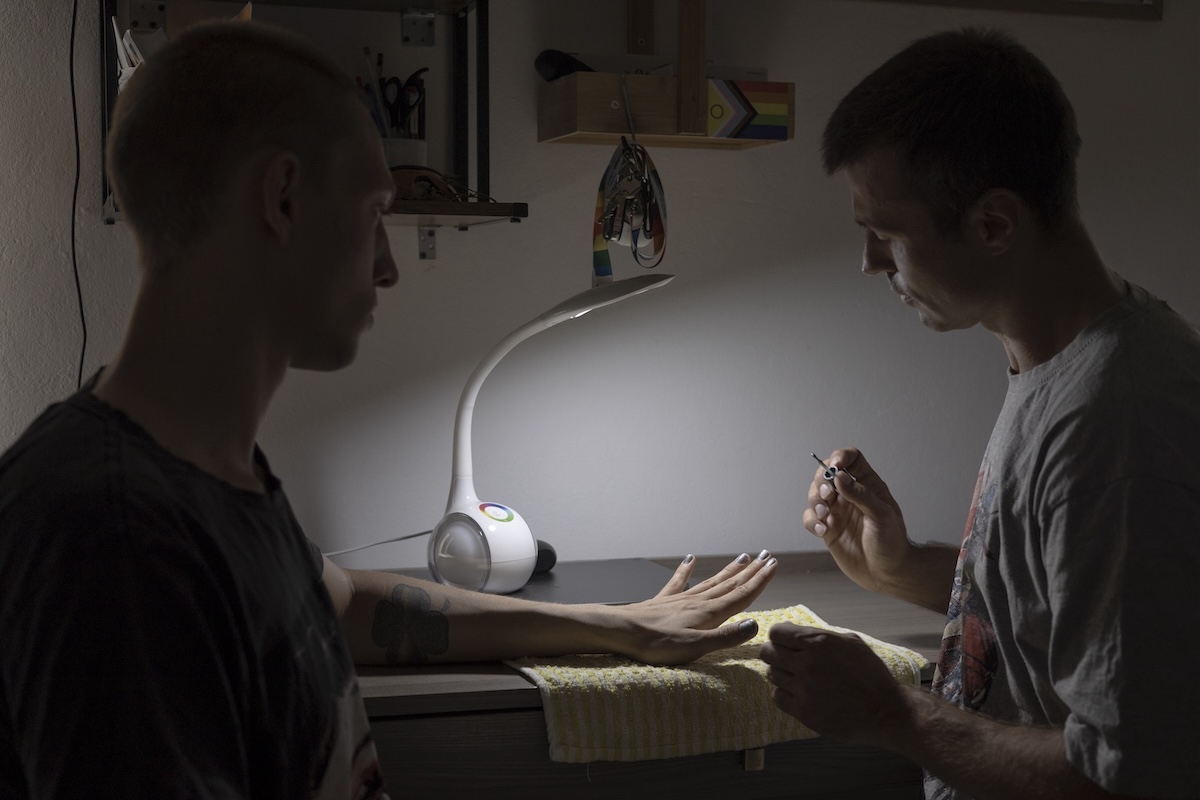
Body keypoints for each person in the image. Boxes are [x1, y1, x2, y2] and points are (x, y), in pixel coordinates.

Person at [0, 20, 778, 799]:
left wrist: (614, 625)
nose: (388, 267)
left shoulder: (212, 471)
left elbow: (346, 605)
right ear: (281, 197)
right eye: (374, 210)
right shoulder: (114, 537)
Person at [760, 28, 1199, 800]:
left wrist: (892, 712)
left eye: (886, 234)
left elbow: (1127, 777)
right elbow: (1052, 614)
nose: (869, 262)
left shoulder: (1119, 421)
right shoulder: (1055, 366)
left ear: (995, 224)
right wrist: (898, 567)